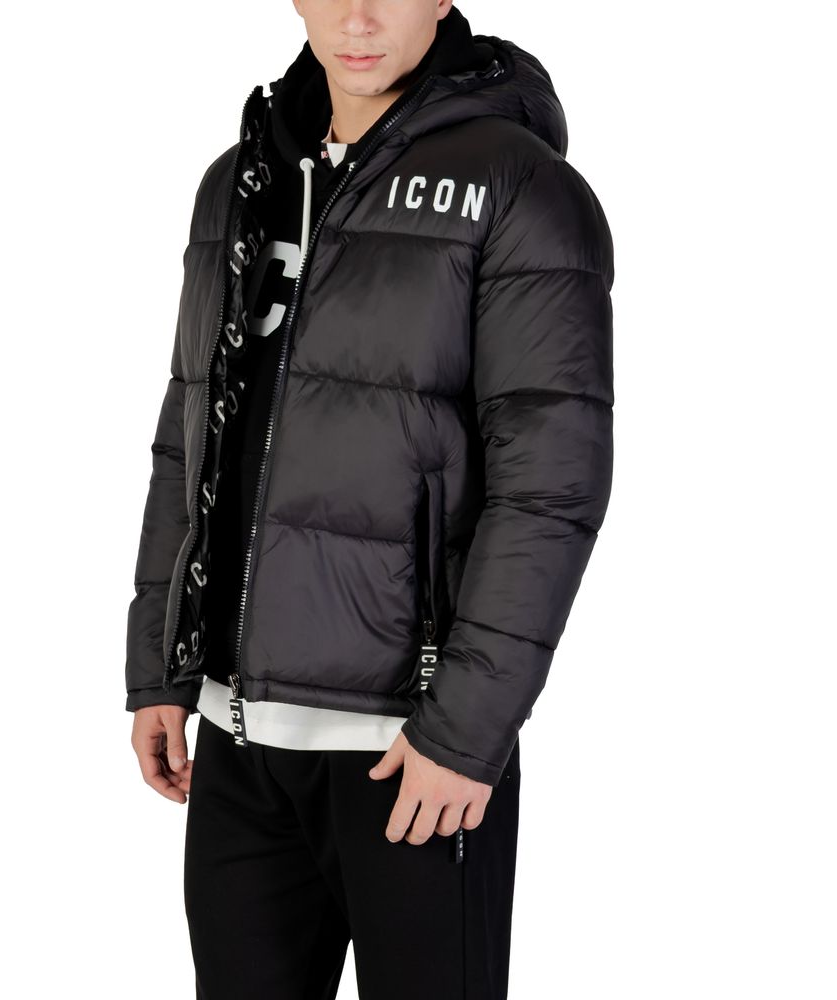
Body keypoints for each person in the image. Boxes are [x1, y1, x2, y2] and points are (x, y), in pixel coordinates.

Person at [124, 2, 614, 997]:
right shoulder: (239, 182)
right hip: (237, 743)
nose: (357, 16)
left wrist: (465, 730)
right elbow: (190, 431)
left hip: (411, 750)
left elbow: (550, 484)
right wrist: (161, 666)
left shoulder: (518, 188)